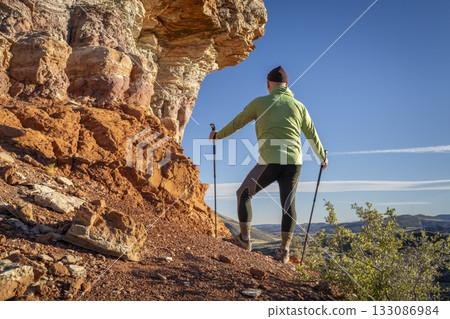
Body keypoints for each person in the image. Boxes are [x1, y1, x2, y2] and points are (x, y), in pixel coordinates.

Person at [209, 66, 328, 263]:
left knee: (243, 194)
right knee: (288, 205)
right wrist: (322, 157)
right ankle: (284, 251)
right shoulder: (299, 107)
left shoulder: (260, 103)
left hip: (270, 162)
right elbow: (312, 134)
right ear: (287, 85)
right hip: (294, 164)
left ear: (268, 85)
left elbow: (238, 122)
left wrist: (217, 135)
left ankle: (244, 240)